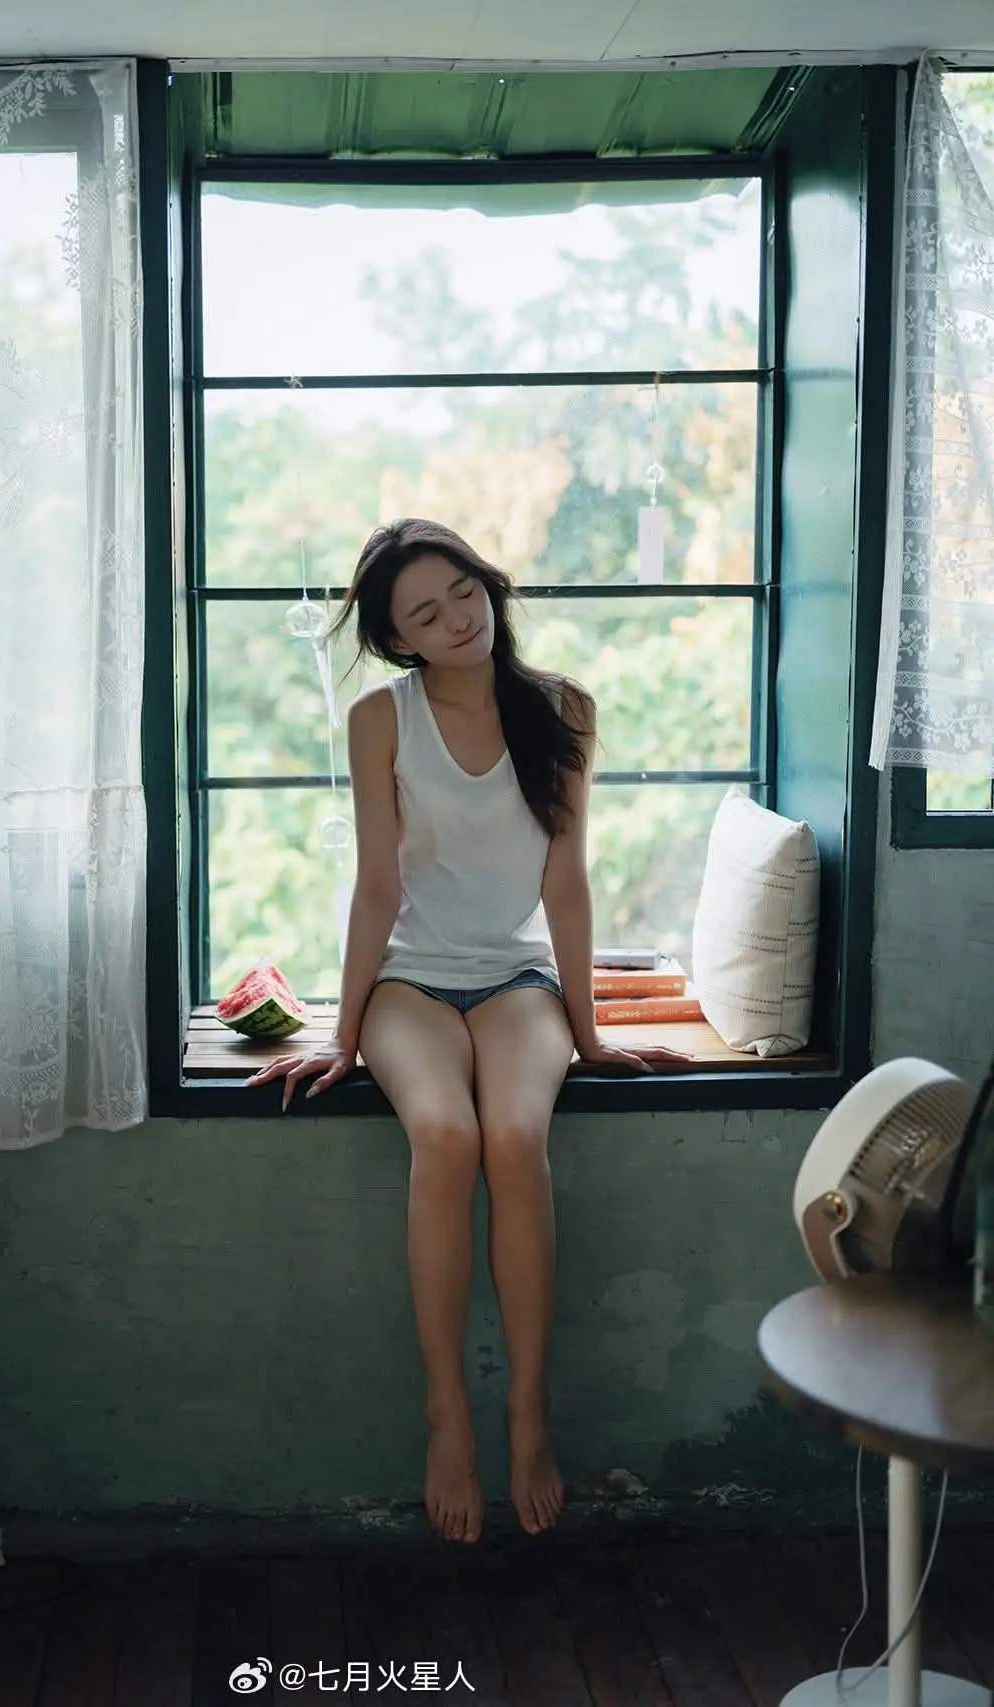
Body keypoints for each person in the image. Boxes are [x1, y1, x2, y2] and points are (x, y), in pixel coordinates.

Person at [247, 517, 686, 1545]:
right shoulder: (380, 718)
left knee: (516, 1139)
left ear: (488, 586)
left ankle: (527, 1412)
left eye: (463, 592)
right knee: (445, 1137)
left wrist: (588, 1035)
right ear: (397, 639)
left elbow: (566, 883)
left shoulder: (563, 709)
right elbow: (376, 886)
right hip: (410, 981)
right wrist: (342, 1034)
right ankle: (447, 1414)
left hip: (519, 979)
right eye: (424, 612)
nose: (455, 618)